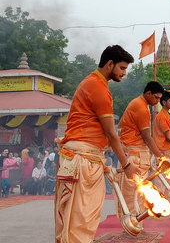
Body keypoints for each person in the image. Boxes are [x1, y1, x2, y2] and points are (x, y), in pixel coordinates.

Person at [54, 45, 138, 243]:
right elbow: (111, 133)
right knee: (81, 222)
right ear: (110, 64)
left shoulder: (92, 82)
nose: (124, 73)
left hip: (80, 158)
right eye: (122, 68)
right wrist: (126, 166)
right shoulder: (98, 88)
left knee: (75, 220)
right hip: (83, 161)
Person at [116, 81, 165, 221]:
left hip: (138, 154)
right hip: (134, 155)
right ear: (148, 93)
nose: (157, 101)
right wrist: (160, 156)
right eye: (156, 98)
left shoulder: (140, 104)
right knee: (132, 195)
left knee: (138, 194)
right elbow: (147, 137)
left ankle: (136, 224)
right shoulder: (141, 108)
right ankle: (131, 225)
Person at [153, 91, 170, 160]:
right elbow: (168, 137)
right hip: (164, 152)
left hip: (169, 150)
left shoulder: (168, 115)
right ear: (164, 102)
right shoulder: (162, 116)